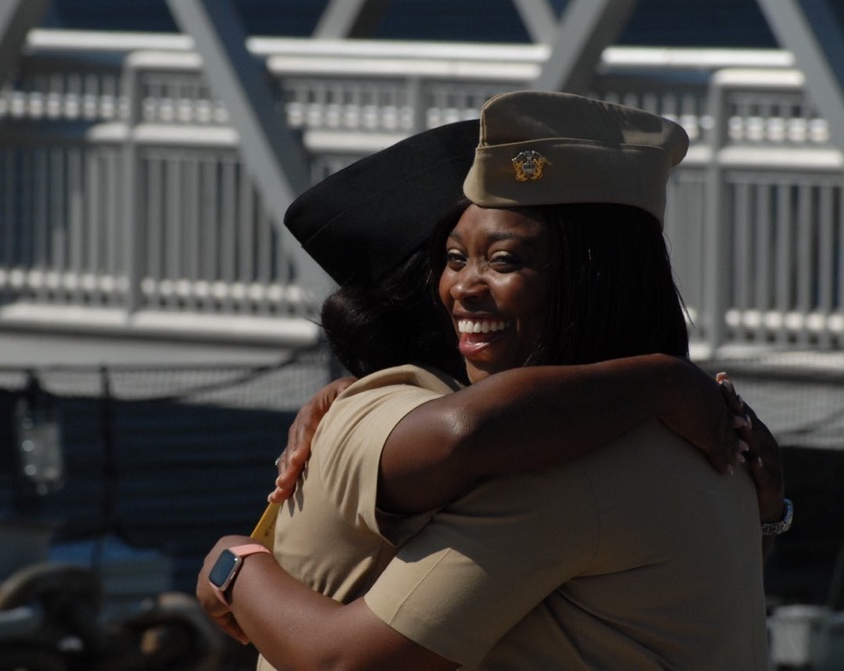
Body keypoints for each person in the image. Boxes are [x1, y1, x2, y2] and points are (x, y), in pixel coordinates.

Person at [198, 92, 786, 669]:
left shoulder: (556, 464)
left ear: (593, 281)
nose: (463, 288)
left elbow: (343, 661)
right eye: (453, 260)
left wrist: (233, 565)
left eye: (503, 261)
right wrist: (671, 385)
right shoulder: (700, 433)